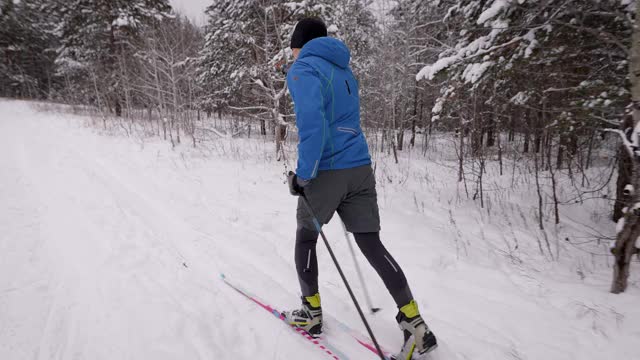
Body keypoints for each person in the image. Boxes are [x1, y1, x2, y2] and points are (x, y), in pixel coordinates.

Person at [282, 18, 437, 355]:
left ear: (301, 43)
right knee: (371, 244)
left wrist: (303, 175)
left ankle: (310, 313)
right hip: (360, 168)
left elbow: (314, 125)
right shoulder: (344, 69)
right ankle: (414, 321)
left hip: (327, 170)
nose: (291, 53)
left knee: (306, 236)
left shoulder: (303, 69)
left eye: (293, 45)